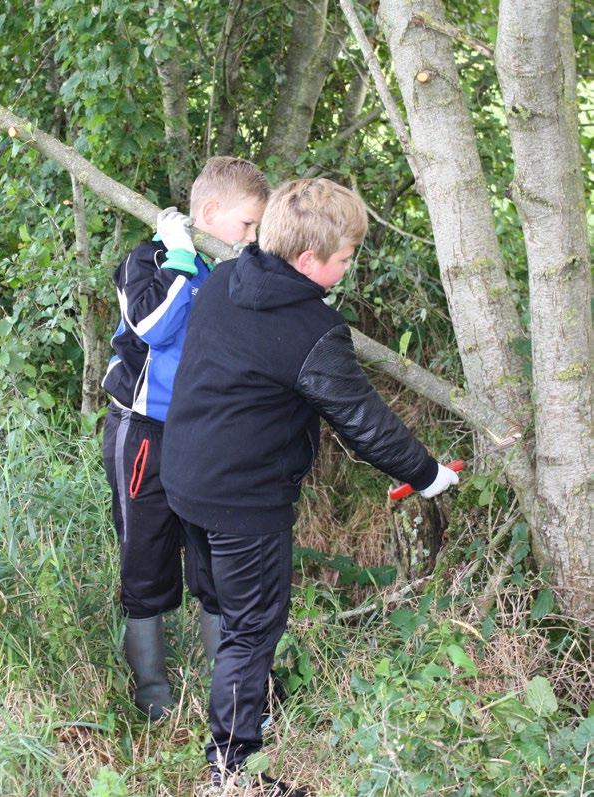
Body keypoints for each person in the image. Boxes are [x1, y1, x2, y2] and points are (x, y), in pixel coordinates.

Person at [160, 178, 459, 795]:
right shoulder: (310, 329)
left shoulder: (223, 281)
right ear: (307, 261)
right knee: (252, 628)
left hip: (185, 477)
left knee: (224, 608)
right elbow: (365, 425)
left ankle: (241, 707)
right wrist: (430, 476)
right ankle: (232, 773)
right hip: (244, 499)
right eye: (346, 257)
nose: (349, 267)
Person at [101, 156, 269, 721]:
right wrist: (178, 256)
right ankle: (152, 695)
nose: (251, 238)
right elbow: (155, 326)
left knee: (215, 560)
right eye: (247, 225)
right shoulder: (147, 260)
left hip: (207, 438)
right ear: (211, 212)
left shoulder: (230, 269)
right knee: (146, 555)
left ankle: (227, 686)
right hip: (144, 430)